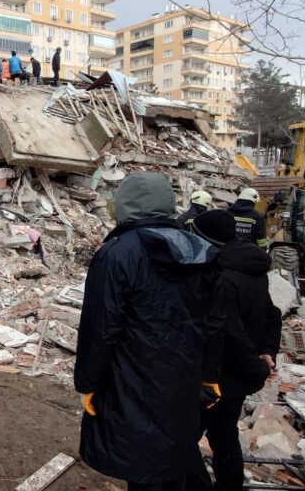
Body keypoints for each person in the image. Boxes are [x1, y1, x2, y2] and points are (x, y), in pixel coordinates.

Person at [75, 172, 223, 491]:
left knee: (141, 466)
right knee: (175, 461)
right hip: (183, 381)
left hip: (131, 381)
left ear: (124, 206)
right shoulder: (202, 251)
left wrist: (89, 382)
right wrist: (209, 376)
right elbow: (215, 322)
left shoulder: (115, 254)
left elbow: (99, 329)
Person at [188, 210, 280, 491]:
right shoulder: (252, 271)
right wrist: (267, 349)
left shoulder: (222, 277)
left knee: (184, 439)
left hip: (217, 377)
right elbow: (272, 313)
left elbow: (229, 331)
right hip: (237, 377)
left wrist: (257, 366)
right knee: (224, 436)